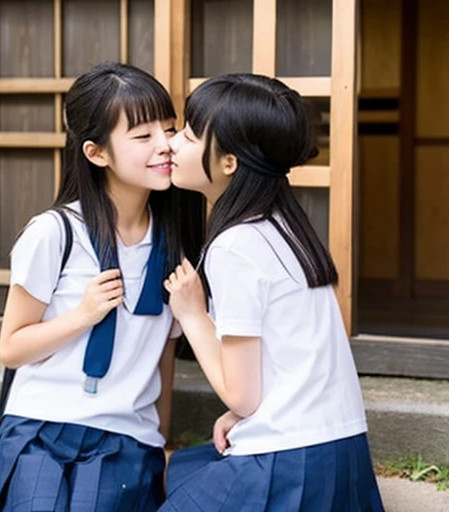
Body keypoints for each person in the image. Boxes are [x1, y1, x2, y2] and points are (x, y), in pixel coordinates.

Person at [0, 61, 201, 512]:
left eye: (169, 129)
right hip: (42, 429)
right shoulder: (54, 233)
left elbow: (163, 358)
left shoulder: (174, 242)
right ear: (97, 154)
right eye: (142, 136)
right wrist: (82, 315)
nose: (165, 146)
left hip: (128, 438)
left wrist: (160, 442)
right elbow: (12, 349)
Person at [160, 73, 385, 511]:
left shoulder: (236, 246)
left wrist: (191, 313)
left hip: (293, 461)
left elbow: (243, 394)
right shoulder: (284, 224)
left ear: (228, 162)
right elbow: (291, 363)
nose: (172, 144)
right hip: (340, 453)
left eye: (187, 135)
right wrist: (244, 416)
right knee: (186, 468)